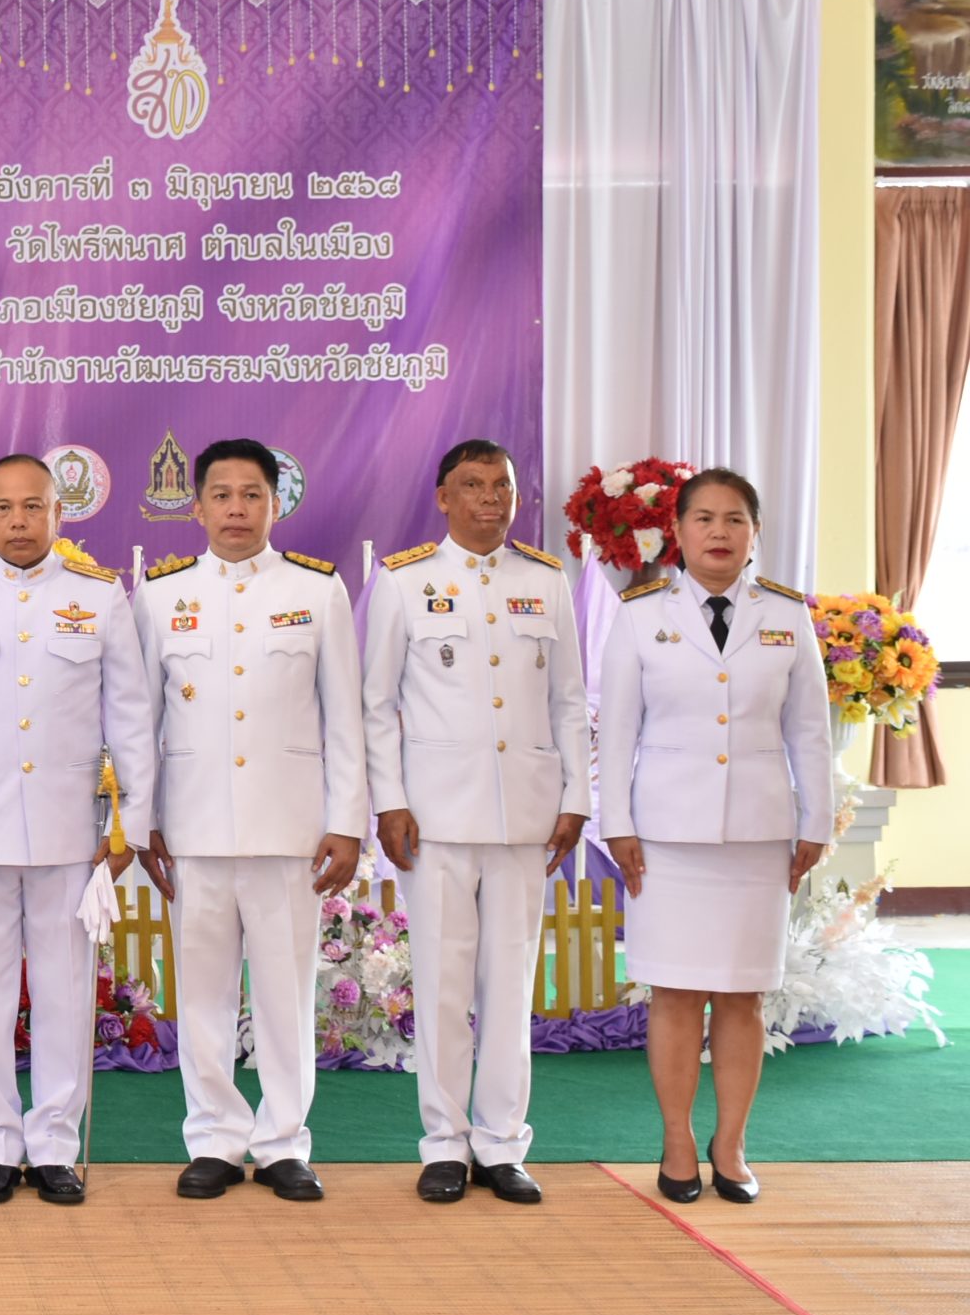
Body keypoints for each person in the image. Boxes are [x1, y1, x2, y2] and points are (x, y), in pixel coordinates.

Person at [0, 454, 156, 1206]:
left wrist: (127, 828)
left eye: (33, 507)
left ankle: (53, 1145)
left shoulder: (99, 595)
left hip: (70, 833)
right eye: (3, 508)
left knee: (65, 995)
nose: (18, 522)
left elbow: (131, 718)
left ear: (58, 514)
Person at [133, 439, 366, 1203]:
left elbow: (345, 718)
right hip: (192, 827)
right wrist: (143, 818)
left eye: (252, 494)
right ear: (197, 507)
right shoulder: (160, 596)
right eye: (222, 495)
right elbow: (139, 720)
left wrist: (347, 820)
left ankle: (283, 1142)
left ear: (275, 503)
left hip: (288, 828)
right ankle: (213, 1139)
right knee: (201, 994)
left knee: (285, 995)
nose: (237, 509)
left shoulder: (316, 590)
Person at [361, 441, 589, 1207]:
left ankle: (501, 1144)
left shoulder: (545, 580)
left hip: (526, 816)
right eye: (473, 485)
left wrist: (575, 799)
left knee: (510, 988)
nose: (490, 499)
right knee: (442, 986)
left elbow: (568, 701)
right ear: (443, 497)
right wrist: (389, 800)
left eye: (502, 486)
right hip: (436, 818)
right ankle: (444, 1145)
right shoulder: (404, 581)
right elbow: (376, 705)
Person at [599, 467, 832, 1206]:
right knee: (674, 992)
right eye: (704, 519)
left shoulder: (787, 615)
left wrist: (816, 821)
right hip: (666, 838)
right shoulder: (641, 614)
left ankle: (730, 1144)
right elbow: (617, 730)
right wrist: (617, 822)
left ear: (755, 533)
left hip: (758, 836)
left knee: (742, 997)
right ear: (678, 531)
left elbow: (809, 729)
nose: (719, 533)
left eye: (735, 519)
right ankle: (676, 1140)